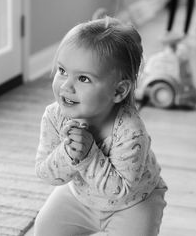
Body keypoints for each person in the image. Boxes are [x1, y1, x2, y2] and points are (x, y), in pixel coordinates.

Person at [34, 16, 167, 236]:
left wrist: (88, 156)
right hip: (80, 195)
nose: (66, 85)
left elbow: (121, 192)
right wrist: (68, 153)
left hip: (133, 202)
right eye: (62, 71)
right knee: (45, 229)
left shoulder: (130, 131)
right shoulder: (54, 116)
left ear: (118, 91)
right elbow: (45, 173)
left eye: (83, 78)